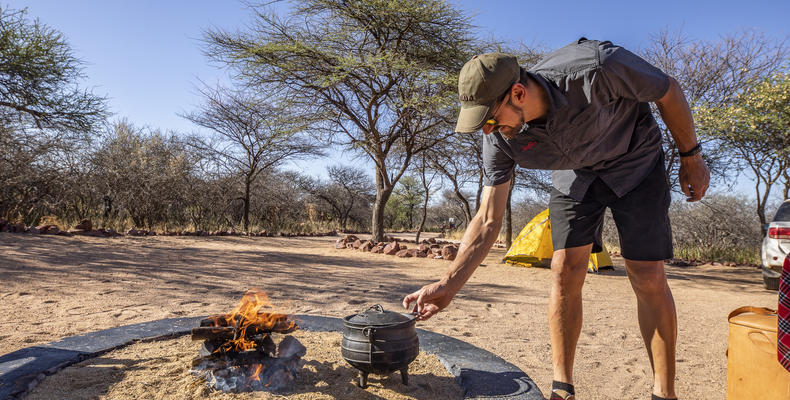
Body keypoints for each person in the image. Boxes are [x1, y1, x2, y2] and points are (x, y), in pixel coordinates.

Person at [402, 38, 710, 400]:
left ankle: (664, 392)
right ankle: (562, 388)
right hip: (575, 174)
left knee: (646, 272)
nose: (488, 130)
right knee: (564, 267)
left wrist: (690, 156)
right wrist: (448, 285)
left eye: (489, 119)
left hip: (635, 163)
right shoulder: (500, 139)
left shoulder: (597, 67)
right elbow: (488, 218)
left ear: (518, 93)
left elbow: (667, 90)